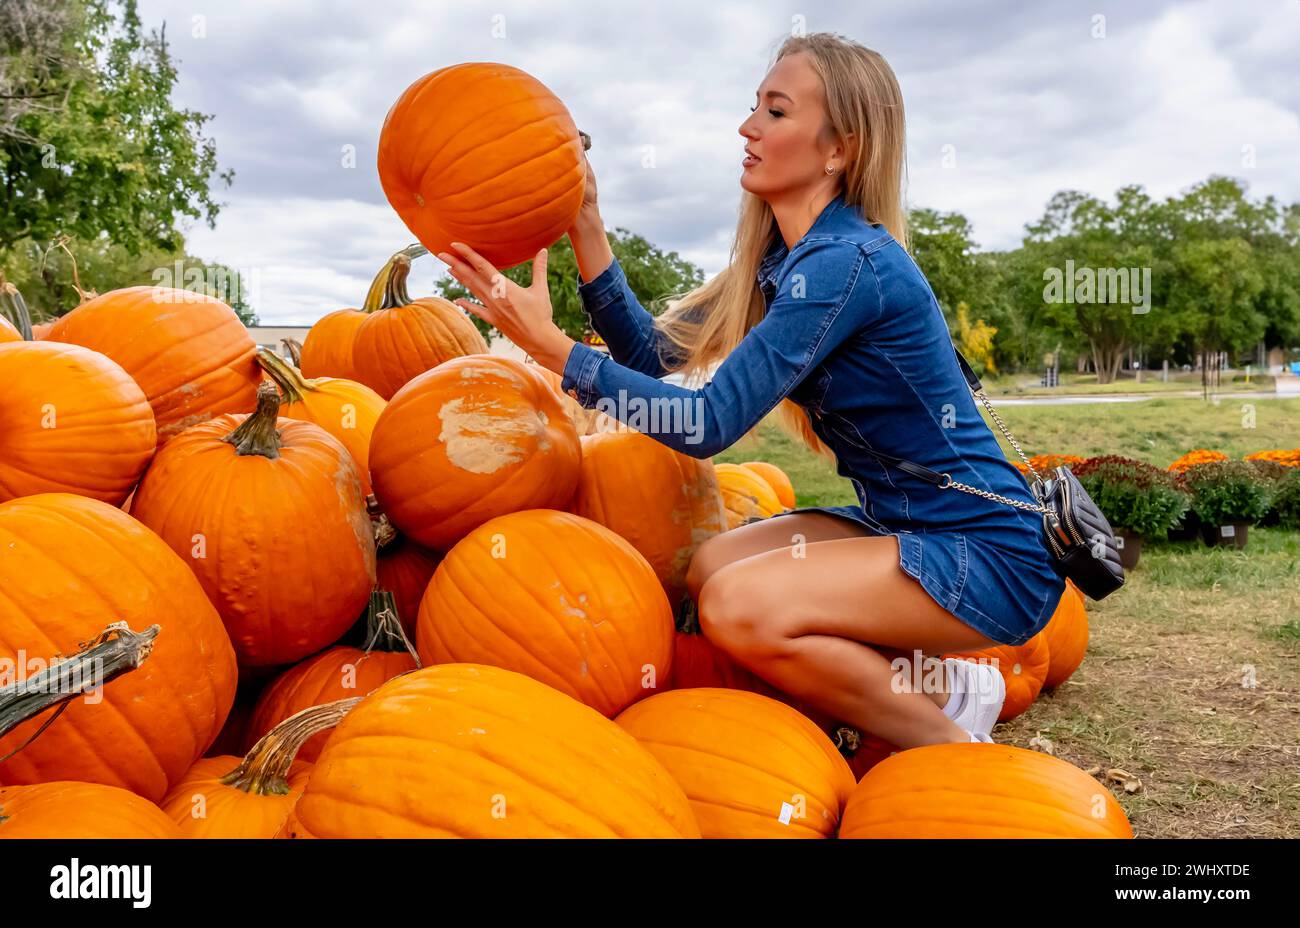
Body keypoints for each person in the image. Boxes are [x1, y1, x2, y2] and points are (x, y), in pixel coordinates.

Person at [436, 31, 1066, 749]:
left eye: (775, 111)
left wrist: (550, 348)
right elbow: (650, 353)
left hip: (986, 552)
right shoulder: (784, 264)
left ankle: (953, 750)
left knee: (738, 608)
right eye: (754, 107)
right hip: (908, 530)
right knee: (712, 568)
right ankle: (952, 688)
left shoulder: (846, 265)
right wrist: (586, 222)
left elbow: (709, 423)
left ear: (839, 150)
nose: (747, 127)